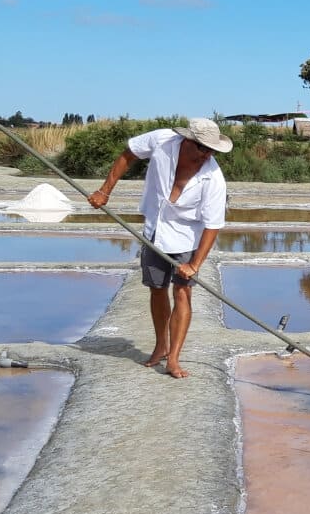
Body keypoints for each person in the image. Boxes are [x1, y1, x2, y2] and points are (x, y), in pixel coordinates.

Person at [88, 117, 232, 378]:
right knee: (156, 289)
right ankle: (160, 345)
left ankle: (174, 359)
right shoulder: (162, 140)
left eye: (211, 150)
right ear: (187, 141)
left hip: (188, 237)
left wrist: (194, 264)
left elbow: (213, 225)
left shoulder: (213, 178)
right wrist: (104, 191)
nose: (207, 155)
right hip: (154, 229)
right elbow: (127, 155)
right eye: (202, 148)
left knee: (182, 292)